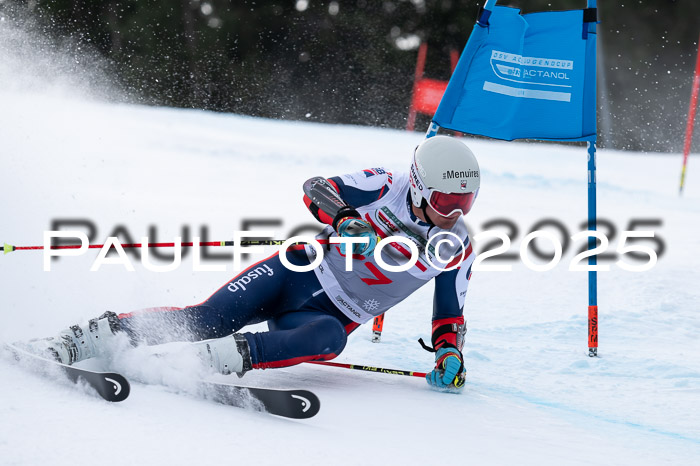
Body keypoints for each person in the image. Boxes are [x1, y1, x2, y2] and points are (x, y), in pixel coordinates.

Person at [23, 135, 480, 389]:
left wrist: (449, 353)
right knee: (206, 317)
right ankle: (83, 338)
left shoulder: (456, 246)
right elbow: (316, 187)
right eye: (446, 199)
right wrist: (343, 219)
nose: (455, 212)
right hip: (296, 272)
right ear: (419, 186)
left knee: (331, 339)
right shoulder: (386, 184)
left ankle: (210, 361)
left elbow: (449, 313)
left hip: (326, 315)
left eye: (466, 201)